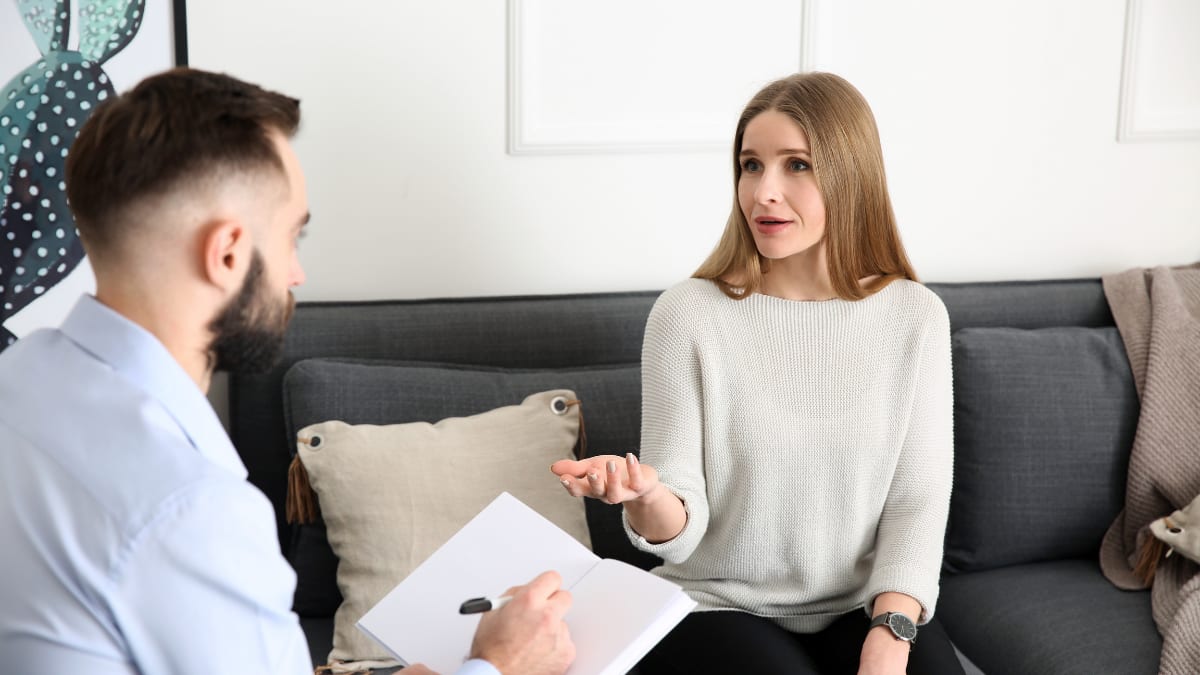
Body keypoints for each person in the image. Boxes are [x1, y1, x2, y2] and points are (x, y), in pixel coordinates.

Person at [0, 68, 574, 675]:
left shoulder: (21, 380)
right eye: (291, 238)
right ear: (225, 254)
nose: (296, 274)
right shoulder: (189, 509)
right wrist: (498, 666)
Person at [552, 72, 963, 675]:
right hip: (713, 606)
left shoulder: (915, 318)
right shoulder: (687, 314)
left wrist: (890, 632)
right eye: (751, 165)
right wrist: (646, 496)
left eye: (796, 165)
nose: (763, 191)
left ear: (851, 175)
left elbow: (918, 503)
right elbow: (681, 529)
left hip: (861, 605)